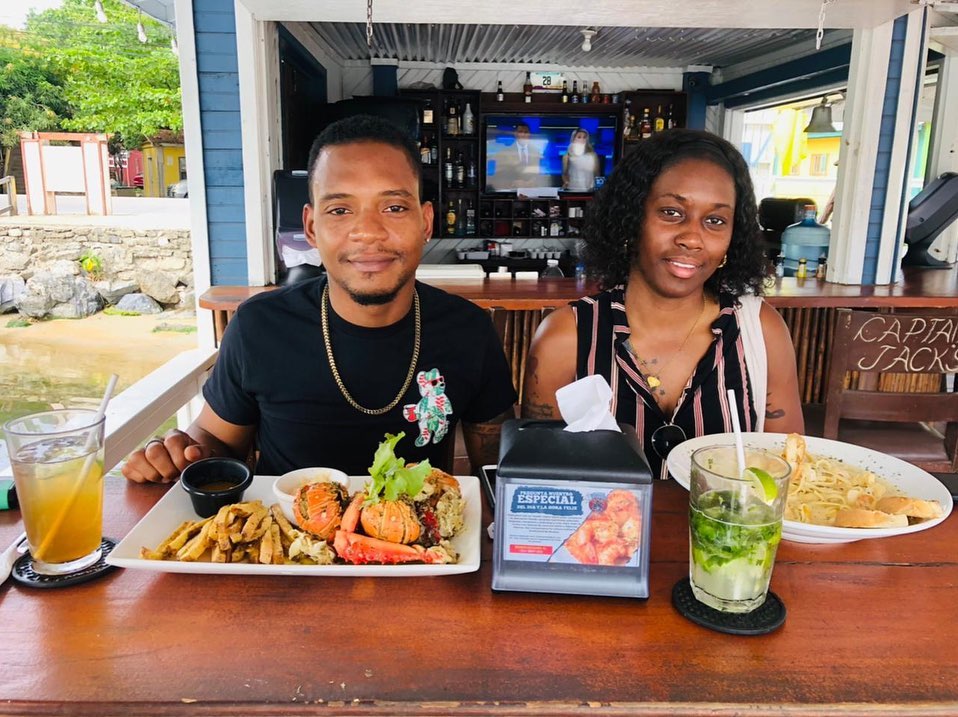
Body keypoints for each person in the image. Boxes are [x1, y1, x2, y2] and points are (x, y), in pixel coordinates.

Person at [123, 115, 517, 482]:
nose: (368, 232)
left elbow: (495, 469)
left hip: (420, 546)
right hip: (283, 546)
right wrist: (178, 454)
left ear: (426, 222)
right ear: (311, 227)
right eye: (341, 209)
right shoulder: (260, 326)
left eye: (394, 207)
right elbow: (214, 437)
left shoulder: (469, 330)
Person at [521, 129, 804, 480]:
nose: (691, 238)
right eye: (671, 212)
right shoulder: (565, 337)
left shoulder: (760, 331)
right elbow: (535, 482)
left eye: (715, 221)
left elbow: (790, 477)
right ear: (631, 219)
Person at [488, 122, 543, 191]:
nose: (523, 134)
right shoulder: (504, 153)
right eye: (520, 132)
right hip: (510, 191)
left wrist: (529, 183)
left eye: (526, 132)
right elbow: (498, 177)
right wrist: (513, 183)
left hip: (531, 191)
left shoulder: (536, 152)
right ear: (515, 134)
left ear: (529, 134)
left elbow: (538, 175)